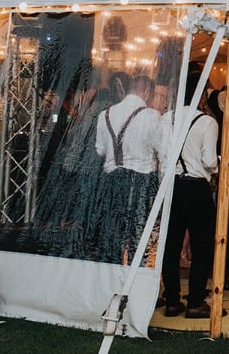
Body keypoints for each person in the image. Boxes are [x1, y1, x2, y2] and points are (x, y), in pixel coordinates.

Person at [161, 81, 219, 319]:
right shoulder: (207, 122)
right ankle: (195, 301)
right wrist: (218, 159)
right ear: (203, 96)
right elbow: (209, 161)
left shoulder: (166, 119)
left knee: (171, 246)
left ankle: (172, 300)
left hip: (172, 187)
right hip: (196, 188)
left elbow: (160, 153)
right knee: (202, 246)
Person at [94, 73, 166, 265]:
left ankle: (111, 278)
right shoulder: (152, 116)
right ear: (147, 91)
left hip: (112, 181)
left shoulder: (105, 114)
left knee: (113, 233)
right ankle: (136, 279)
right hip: (141, 181)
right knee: (139, 235)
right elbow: (162, 150)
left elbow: (100, 150)